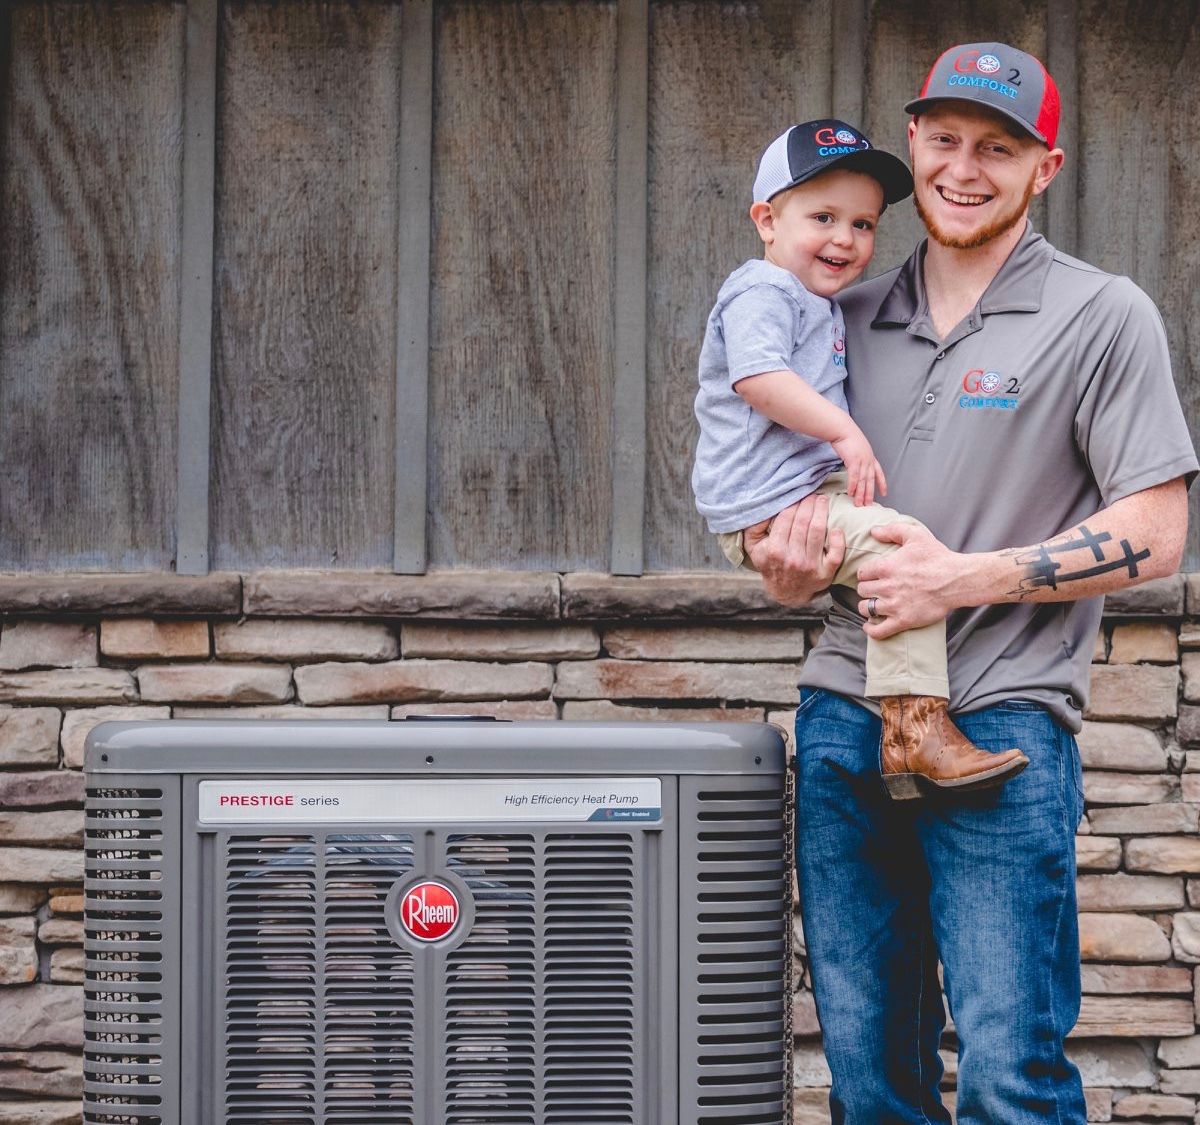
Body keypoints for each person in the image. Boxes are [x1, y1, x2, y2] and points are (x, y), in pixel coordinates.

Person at [744, 43, 1198, 1124]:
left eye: (997, 148)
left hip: (1003, 725)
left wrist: (963, 580)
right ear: (913, 146)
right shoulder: (836, 319)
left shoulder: (1102, 314)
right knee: (869, 1073)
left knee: (1010, 1067)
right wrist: (786, 565)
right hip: (846, 718)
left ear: (1045, 167)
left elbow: (1159, 533)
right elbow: (784, 548)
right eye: (944, 141)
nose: (964, 168)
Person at [693, 119, 1027, 798]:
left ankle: (907, 745)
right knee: (905, 558)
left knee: (895, 558)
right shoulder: (762, 291)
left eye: (864, 224)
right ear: (766, 219)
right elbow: (757, 377)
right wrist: (846, 434)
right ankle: (916, 732)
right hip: (773, 499)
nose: (845, 239)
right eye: (822, 217)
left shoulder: (820, 303)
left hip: (801, 492)